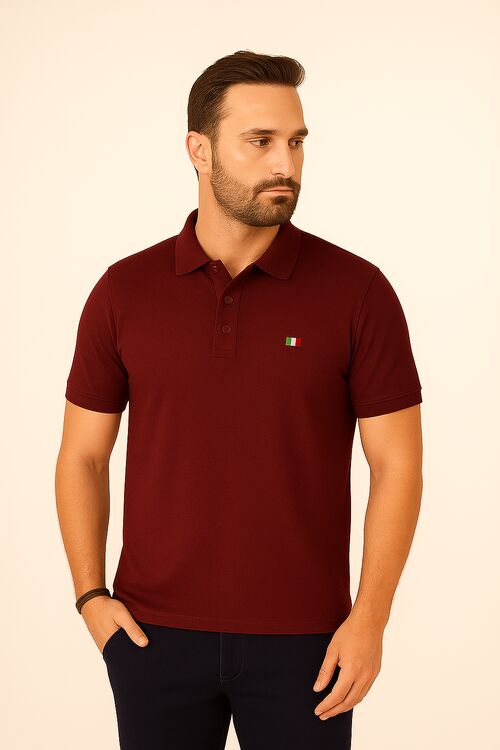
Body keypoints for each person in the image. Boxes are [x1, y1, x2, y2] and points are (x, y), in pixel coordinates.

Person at [55, 49, 423, 750]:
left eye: (296, 142)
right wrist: (91, 597)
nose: (286, 163)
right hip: (152, 637)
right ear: (198, 150)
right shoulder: (124, 292)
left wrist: (369, 619)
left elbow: (397, 465)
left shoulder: (359, 292)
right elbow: (82, 457)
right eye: (260, 141)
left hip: (311, 644)